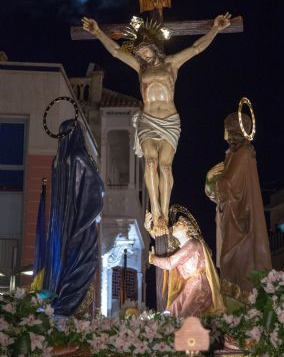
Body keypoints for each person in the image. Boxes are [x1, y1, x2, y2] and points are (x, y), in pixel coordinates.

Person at [82, 13, 231, 231]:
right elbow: (115, 51)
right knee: (150, 163)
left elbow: (196, 48)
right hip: (148, 120)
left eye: (145, 49)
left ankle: (165, 207)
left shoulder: (172, 64)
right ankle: (156, 211)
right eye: (139, 51)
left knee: (166, 166)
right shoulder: (140, 68)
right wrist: (97, 32)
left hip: (170, 121)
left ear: (154, 47)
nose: (142, 54)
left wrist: (215, 29)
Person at [205, 112, 272, 307]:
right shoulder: (233, 155)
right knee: (229, 262)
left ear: (235, 128)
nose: (225, 131)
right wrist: (210, 180)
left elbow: (229, 186)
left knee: (235, 261)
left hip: (240, 220)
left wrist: (212, 178)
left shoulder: (243, 154)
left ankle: (242, 304)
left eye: (227, 126)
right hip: (231, 217)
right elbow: (219, 191)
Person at [43, 119, 105, 316]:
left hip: (61, 226)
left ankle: (56, 304)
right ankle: (67, 304)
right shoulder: (79, 156)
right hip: (81, 223)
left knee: (63, 262)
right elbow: (97, 188)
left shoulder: (58, 162)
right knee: (85, 262)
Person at [148, 207, 225, 317]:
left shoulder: (192, 244)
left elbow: (169, 263)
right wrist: (149, 228)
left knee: (185, 315)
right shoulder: (183, 246)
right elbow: (163, 241)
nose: (174, 225)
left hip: (200, 286)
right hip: (191, 284)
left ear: (186, 228)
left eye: (178, 224)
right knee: (173, 311)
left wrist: (152, 259)